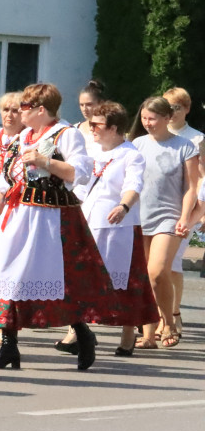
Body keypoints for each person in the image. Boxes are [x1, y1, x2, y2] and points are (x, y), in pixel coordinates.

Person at [0, 83, 121, 371]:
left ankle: (82, 333)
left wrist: (45, 161)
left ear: (41, 110)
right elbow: (5, 184)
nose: (19, 112)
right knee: (8, 275)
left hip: (53, 219)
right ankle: (9, 347)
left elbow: (80, 173)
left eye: (24, 108)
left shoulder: (66, 135)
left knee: (62, 281)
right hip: (17, 217)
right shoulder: (21, 138)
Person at [57, 101, 158, 356]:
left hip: (119, 227)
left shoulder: (131, 154)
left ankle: (127, 334)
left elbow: (134, 185)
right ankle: (77, 332)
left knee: (123, 283)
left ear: (113, 128)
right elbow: (78, 186)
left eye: (96, 124)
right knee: (81, 279)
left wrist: (124, 206)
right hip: (88, 224)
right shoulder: (91, 153)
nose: (91, 128)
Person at [130, 96, 198, 349]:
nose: (147, 123)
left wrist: (184, 218)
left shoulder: (185, 146)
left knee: (157, 272)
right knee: (146, 277)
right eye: (144, 118)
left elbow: (192, 187)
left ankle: (168, 321)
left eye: (153, 118)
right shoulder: (137, 144)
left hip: (169, 218)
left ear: (167, 118)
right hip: (139, 215)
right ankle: (148, 333)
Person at [161, 86, 203, 340]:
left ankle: (172, 314)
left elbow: (202, 178)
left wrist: (199, 214)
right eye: (168, 107)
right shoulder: (157, 135)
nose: (172, 112)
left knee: (172, 262)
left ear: (186, 109)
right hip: (160, 206)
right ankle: (165, 315)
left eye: (177, 107)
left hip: (186, 208)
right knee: (160, 264)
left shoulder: (196, 139)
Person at [0, 91, 23, 346]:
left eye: (15, 110)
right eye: (6, 110)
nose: (10, 115)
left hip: (13, 207)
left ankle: (4, 324)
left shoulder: (26, 141)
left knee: (5, 267)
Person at [76, 79, 106, 149]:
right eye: (81, 105)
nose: (84, 109)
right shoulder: (75, 129)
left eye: (89, 104)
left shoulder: (110, 130)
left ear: (101, 103)